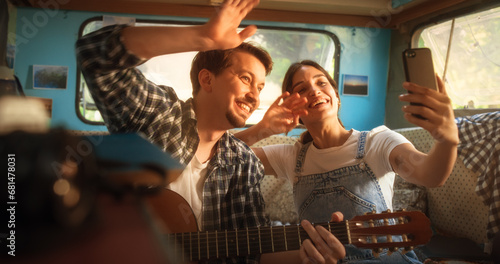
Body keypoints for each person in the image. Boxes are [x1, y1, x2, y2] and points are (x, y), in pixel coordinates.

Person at [76, 1, 345, 263]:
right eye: (245, 79)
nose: (254, 95)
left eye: (260, 88)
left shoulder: (244, 163)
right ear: (206, 79)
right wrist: (201, 37)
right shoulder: (159, 116)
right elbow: (94, 53)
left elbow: (254, 249)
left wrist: (307, 256)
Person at [236, 60, 459, 263]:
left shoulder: (378, 142)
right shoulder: (290, 156)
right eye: (302, 89)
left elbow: (431, 175)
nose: (314, 90)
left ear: (336, 96)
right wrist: (262, 129)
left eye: (321, 83)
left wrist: (447, 140)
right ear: (295, 109)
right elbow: (221, 154)